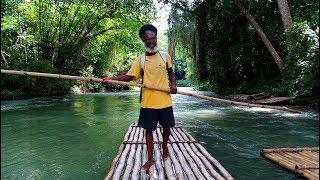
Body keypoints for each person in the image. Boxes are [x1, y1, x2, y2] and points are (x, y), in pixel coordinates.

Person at [102, 24, 177, 173]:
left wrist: (173, 85)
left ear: (156, 38)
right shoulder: (140, 60)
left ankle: (164, 146)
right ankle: (150, 158)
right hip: (148, 102)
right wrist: (111, 78)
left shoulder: (165, 55)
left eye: (153, 37)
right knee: (148, 131)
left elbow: (171, 72)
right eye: (147, 39)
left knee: (167, 128)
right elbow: (129, 77)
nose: (151, 41)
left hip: (165, 100)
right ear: (143, 40)